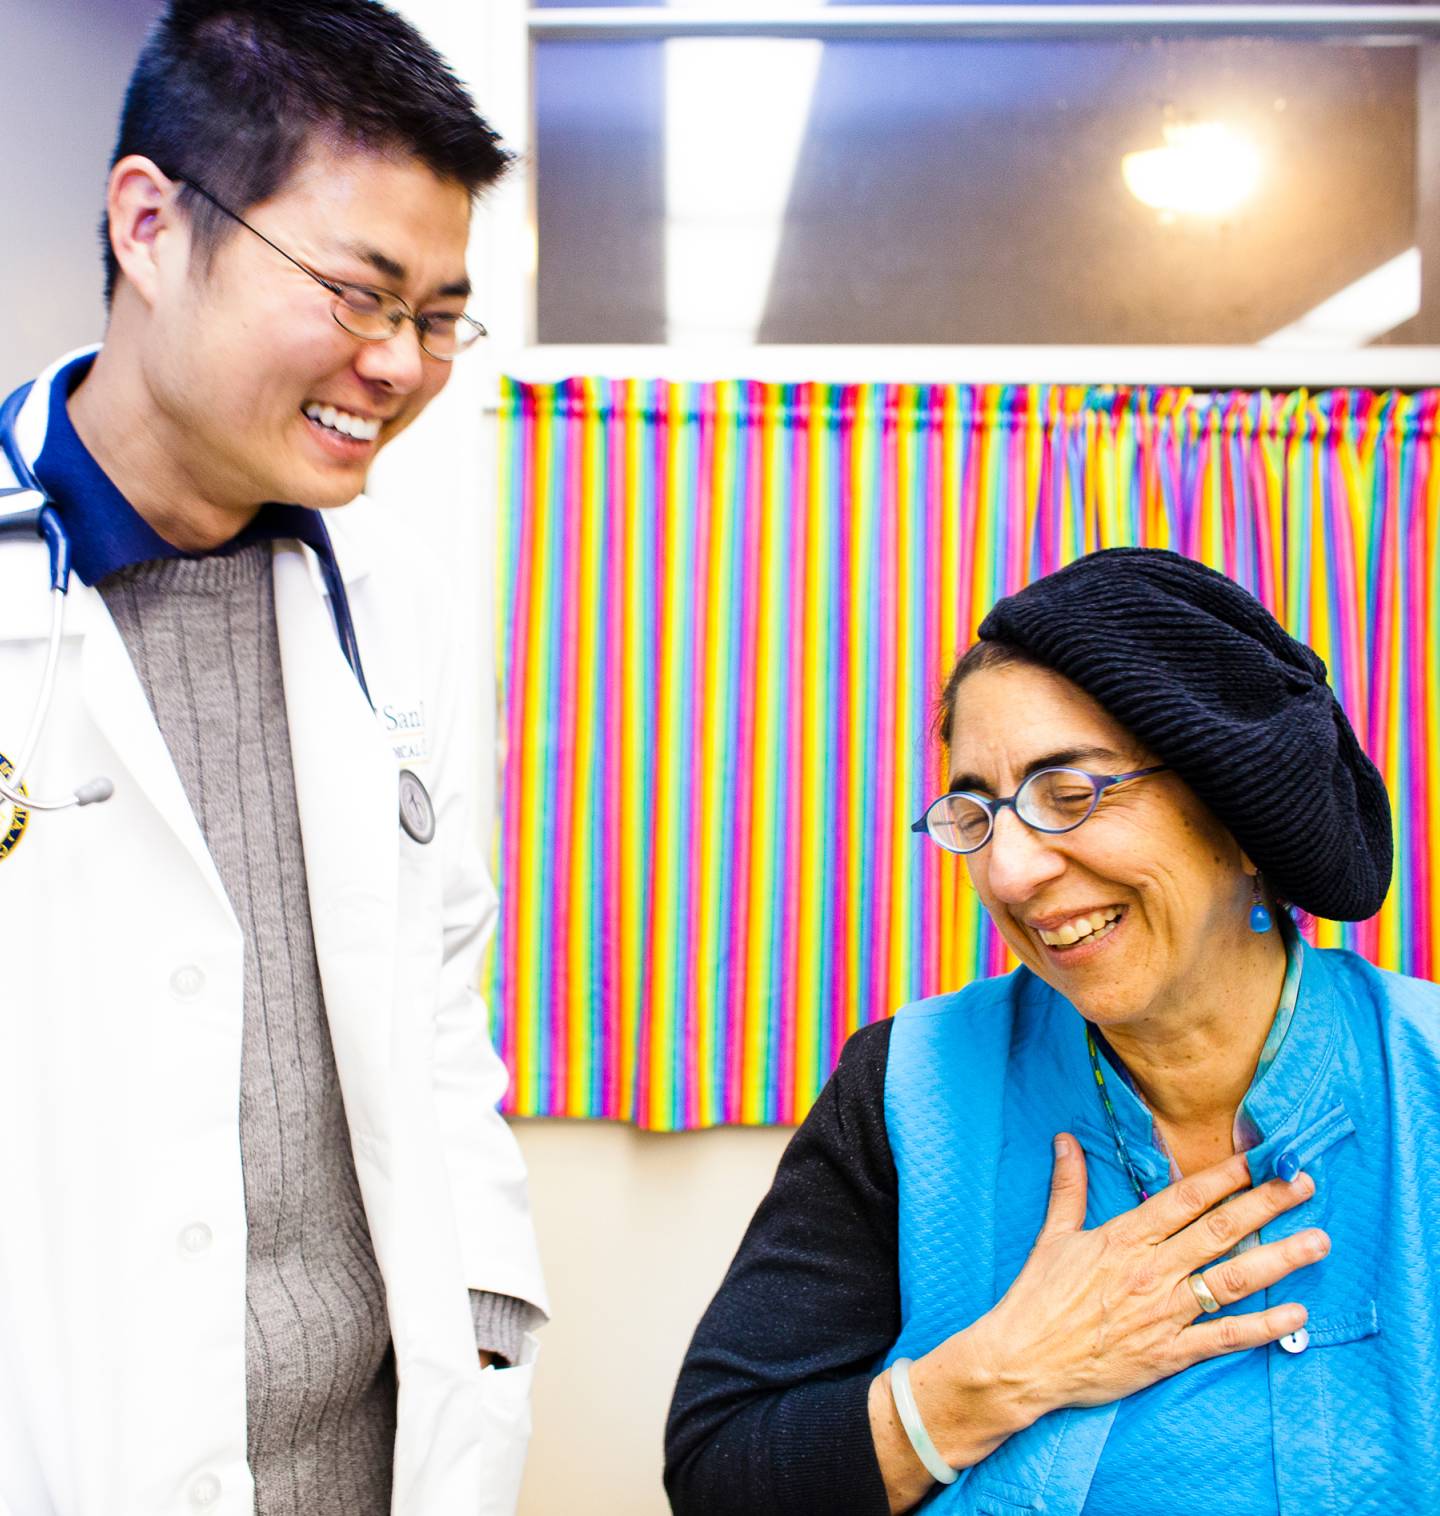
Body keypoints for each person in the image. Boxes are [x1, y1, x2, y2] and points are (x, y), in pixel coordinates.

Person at [0, 3, 546, 1513]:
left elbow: (441, 1032)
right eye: (359, 296)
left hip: (365, 1470)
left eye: (439, 317)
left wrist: (488, 1321)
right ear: (152, 226)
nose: (398, 366)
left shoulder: (399, 615)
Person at [665, 547, 1439, 1515]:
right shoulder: (908, 1084)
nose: (1012, 872)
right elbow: (721, 1475)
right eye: (978, 812)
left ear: (1239, 816)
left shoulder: (1427, 1076)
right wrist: (1001, 1373)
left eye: (1068, 793)